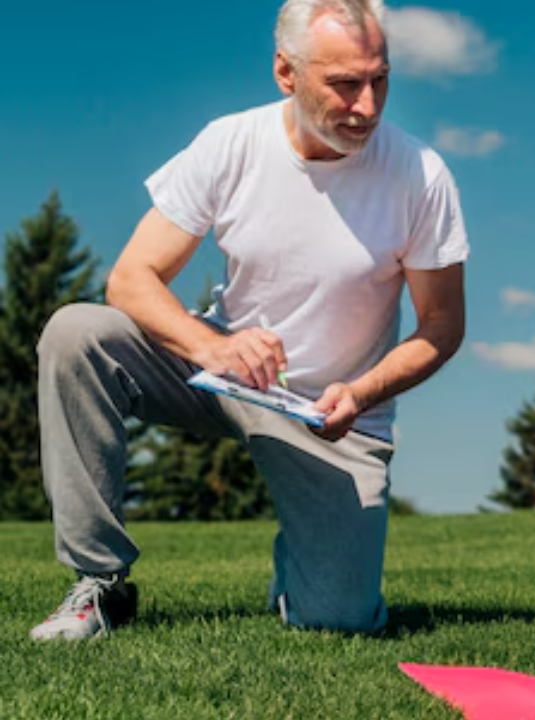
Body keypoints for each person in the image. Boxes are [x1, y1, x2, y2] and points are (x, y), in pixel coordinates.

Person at [30, 0, 468, 639]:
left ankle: (301, 565)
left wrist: (364, 391)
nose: (368, 106)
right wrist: (211, 347)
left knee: (337, 620)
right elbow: (130, 279)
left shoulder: (420, 175)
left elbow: (442, 326)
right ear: (286, 73)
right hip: (222, 373)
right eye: (345, 84)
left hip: (332, 414)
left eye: (380, 80)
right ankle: (100, 582)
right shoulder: (230, 143)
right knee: (75, 333)